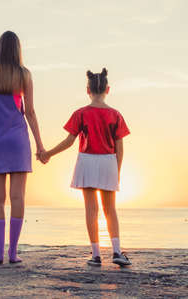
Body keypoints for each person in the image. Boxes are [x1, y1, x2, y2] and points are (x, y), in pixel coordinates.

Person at [39, 68, 131, 266]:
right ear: (108, 89)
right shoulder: (115, 115)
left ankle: (96, 255)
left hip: (87, 161)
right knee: (110, 210)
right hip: (108, 161)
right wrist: (118, 170)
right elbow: (119, 148)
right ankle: (116, 252)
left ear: (87, 90)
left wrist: (47, 154)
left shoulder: (81, 113)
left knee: (91, 209)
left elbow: (69, 141)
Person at [0, 31, 45, 264]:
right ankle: (13, 253)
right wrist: (40, 145)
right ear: (18, 50)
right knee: (18, 197)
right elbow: (30, 112)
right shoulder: (24, 75)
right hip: (18, 140)